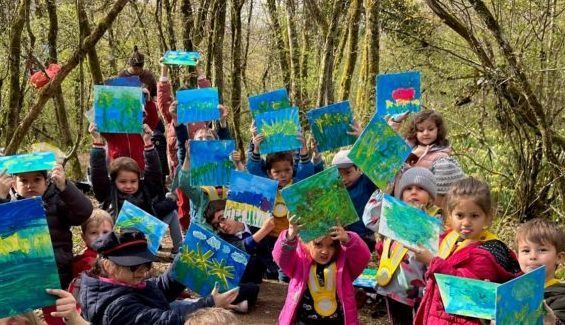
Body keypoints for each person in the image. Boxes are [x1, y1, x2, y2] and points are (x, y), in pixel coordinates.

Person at [412, 177, 521, 324]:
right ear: (450, 215)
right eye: (460, 215)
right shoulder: (450, 238)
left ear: (487, 218)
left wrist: (431, 261)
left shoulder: (487, 253)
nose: (466, 222)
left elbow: (463, 288)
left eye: (474, 216)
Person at [79, 229, 239, 324]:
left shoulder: (120, 283)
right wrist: (210, 302)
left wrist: (184, 263)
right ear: (108, 266)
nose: (143, 273)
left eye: (147, 265)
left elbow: (157, 288)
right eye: (134, 267)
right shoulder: (118, 307)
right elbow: (163, 321)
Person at [0, 165, 93, 325]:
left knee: (57, 318)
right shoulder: (8, 207)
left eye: (37, 179)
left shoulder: (57, 203)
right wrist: (1, 197)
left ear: (46, 182)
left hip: (58, 278)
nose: (30, 185)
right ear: (14, 184)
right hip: (22, 280)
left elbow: (83, 212)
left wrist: (65, 187)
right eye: (23, 180)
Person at [362, 167, 440, 324]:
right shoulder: (393, 215)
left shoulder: (436, 221)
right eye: (408, 188)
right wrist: (382, 193)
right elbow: (370, 219)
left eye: (420, 189)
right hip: (394, 287)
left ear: (431, 197)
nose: (413, 192)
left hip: (422, 291)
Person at [90, 124, 182, 256]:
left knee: (171, 214)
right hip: (120, 239)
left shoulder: (144, 189)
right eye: (123, 182)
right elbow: (98, 174)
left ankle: (178, 249)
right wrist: (97, 143)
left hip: (144, 236)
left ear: (139, 179)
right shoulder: (110, 192)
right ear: (113, 181)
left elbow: (154, 172)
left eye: (133, 181)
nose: (129, 186)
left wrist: (147, 143)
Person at [273, 215, 371, 324]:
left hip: (337, 321)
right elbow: (281, 258)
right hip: (304, 321)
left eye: (331, 246)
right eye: (318, 244)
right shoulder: (299, 262)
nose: (325, 251)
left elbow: (363, 257)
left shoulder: (344, 265)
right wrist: (290, 236)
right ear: (306, 242)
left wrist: (348, 239)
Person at [515, 218, 565, 324]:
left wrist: (552, 321)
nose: (533, 256)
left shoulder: (560, 297)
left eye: (542, 250)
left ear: (559, 257)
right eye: (526, 251)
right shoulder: (511, 291)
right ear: (517, 257)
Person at [331, 149, 377, 251]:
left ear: (359, 169)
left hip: (366, 235)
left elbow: (373, 167)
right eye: (339, 175)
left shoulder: (365, 182)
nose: (343, 178)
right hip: (347, 236)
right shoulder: (336, 190)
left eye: (348, 173)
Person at [72, 209, 114, 277]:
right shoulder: (82, 263)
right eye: (93, 233)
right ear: (84, 237)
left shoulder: (118, 256)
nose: (100, 237)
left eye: (105, 232)